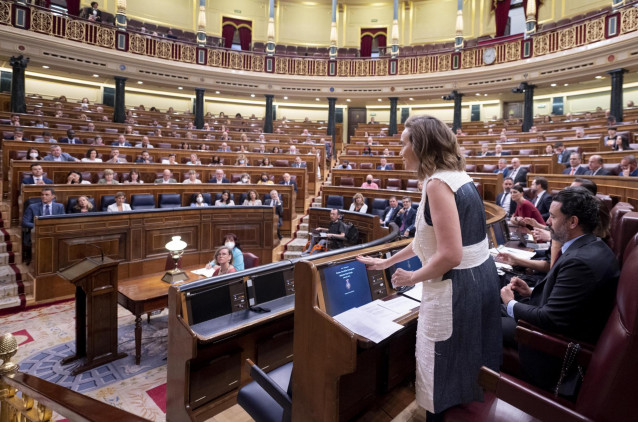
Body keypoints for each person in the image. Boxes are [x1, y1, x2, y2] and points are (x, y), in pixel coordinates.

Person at [357, 115, 501, 418]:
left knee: (439, 372)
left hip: (456, 289)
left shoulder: (437, 185)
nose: (400, 151)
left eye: (404, 144)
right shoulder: (458, 175)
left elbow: (449, 255)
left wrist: (412, 275)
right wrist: (388, 260)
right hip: (478, 281)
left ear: (421, 146)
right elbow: (429, 240)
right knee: (464, 366)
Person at [501, 187, 619, 392]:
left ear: (572, 222)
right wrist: (530, 292)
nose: (547, 222)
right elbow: (569, 301)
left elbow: (551, 319)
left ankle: (487, 386)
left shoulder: (581, 262)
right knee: (491, 305)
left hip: (552, 346)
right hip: (561, 326)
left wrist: (511, 304)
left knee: (485, 319)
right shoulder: (590, 246)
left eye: (553, 217)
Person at [22, 187, 65, 264]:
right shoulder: (32, 207)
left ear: (53, 196)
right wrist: (39, 226)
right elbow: (25, 222)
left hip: (54, 231)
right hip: (37, 231)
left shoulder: (59, 206)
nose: (43, 196)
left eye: (47, 195)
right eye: (42, 195)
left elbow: (63, 221)